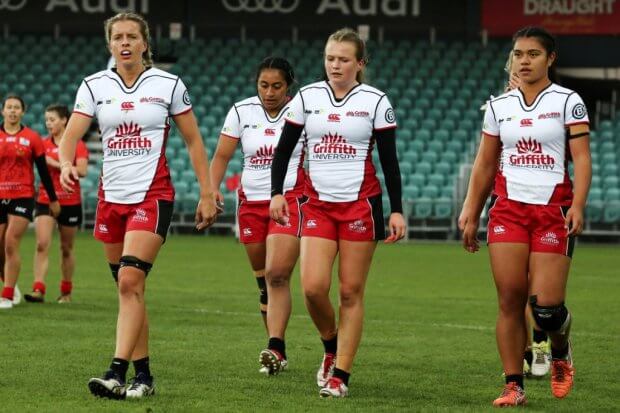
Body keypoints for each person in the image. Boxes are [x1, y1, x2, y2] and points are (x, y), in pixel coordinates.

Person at [59, 12, 217, 400]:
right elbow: (71, 134)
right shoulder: (94, 86)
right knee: (130, 288)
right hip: (110, 198)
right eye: (118, 37)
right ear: (110, 44)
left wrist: (207, 192)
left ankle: (115, 371)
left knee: (130, 280)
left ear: (145, 43)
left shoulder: (168, 84)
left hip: (153, 194)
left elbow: (194, 141)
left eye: (132, 36)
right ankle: (143, 375)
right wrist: (65, 163)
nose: (125, 42)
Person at [270, 28, 406, 398]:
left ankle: (340, 374)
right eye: (331, 58)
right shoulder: (307, 97)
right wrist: (277, 193)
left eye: (344, 59)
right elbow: (283, 150)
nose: (335, 65)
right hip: (318, 206)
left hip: (361, 205)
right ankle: (330, 345)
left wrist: (396, 210)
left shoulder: (376, 101)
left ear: (360, 64)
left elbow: (389, 162)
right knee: (313, 288)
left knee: (350, 292)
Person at [459, 26, 591, 406]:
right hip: (508, 211)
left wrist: (578, 204)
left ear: (550, 58)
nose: (524, 60)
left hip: (553, 211)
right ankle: (513, 384)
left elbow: (581, 159)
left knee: (547, 310)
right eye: (518, 54)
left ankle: (561, 350)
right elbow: (485, 163)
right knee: (509, 300)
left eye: (533, 53)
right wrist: (470, 210)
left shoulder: (568, 101)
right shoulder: (500, 106)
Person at [209, 57, 305, 375]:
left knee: (277, 274)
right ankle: (278, 350)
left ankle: (274, 345)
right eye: (263, 85)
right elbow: (222, 155)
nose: (269, 92)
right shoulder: (241, 111)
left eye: (276, 85)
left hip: (288, 199)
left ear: (288, 85)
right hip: (250, 204)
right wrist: (211, 191)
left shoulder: (301, 111)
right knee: (264, 284)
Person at [23, 104, 89, 304]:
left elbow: (82, 170)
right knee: (42, 243)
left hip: (70, 201)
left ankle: (66, 291)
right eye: (46, 120)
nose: (48, 123)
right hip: (45, 199)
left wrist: (54, 163)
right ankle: (38, 289)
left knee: (66, 248)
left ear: (64, 121)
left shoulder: (76, 144)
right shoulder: (42, 144)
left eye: (52, 119)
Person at [0, 95, 60, 309]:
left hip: (23, 196)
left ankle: (6, 295)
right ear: (3, 111)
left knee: (10, 241)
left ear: (23, 112)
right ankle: (11, 286)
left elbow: (43, 171)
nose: (13, 111)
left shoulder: (32, 138)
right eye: (9, 107)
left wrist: (53, 199)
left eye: (17, 108)